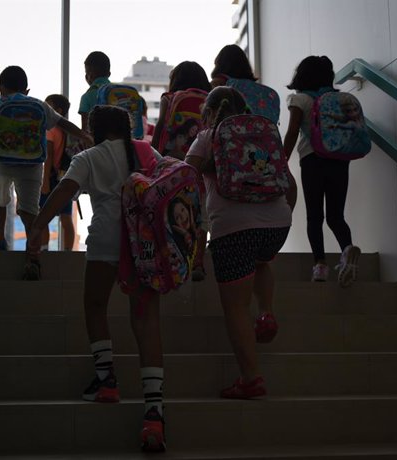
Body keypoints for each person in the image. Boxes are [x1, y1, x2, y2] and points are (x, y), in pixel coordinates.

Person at [26, 105, 167, 452]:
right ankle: (154, 411)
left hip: (107, 238)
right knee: (146, 319)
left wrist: (38, 227)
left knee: (95, 306)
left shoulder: (89, 156)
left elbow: (63, 192)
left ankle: (107, 381)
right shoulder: (148, 152)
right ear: (127, 128)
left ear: (97, 129)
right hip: (145, 242)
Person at [185, 86, 294, 399]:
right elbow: (289, 183)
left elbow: (186, 173)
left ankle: (250, 378)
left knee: (235, 306)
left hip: (233, 228)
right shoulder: (263, 135)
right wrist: (283, 215)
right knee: (262, 262)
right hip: (277, 222)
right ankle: (267, 312)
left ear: (209, 111)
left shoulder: (209, 135)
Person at [0, 66, 90, 280]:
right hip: (32, 164)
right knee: (30, 210)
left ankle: (0, 242)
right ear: (27, 89)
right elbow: (62, 122)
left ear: (0, 87)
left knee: (0, 199)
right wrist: (85, 136)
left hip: (3, 162)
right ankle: (33, 258)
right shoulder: (38, 104)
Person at [283, 55, 361, 285]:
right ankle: (347, 250)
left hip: (312, 160)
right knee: (336, 215)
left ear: (302, 76)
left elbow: (292, 131)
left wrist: (281, 160)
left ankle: (320, 265)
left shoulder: (300, 100)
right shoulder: (342, 98)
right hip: (339, 160)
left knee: (315, 216)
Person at [152, 61, 211, 281]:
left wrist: (156, 157)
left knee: (173, 208)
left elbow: (160, 127)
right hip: (202, 163)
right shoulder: (210, 98)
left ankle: (172, 259)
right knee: (201, 213)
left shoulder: (170, 97)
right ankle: (198, 263)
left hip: (173, 163)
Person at [40, 94, 77, 251]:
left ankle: (44, 249)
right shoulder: (67, 130)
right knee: (66, 217)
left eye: (48, 106)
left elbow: (47, 156)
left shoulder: (50, 129)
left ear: (57, 110)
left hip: (51, 177)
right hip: (66, 177)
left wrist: (45, 181)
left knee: (43, 217)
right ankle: (68, 252)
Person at [79, 51, 111, 131]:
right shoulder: (119, 92)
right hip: (124, 141)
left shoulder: (87, 96)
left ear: (89, 75)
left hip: (99, 142)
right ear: (109, 74)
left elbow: (85, 130)